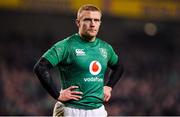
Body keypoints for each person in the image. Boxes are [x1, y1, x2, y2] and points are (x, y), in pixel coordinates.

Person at [33, 4, 124, 117]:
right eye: (87, 20)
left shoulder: (105, 48)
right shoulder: (66, 45)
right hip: (71, 109)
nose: (92, 24)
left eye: (96, 20)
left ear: (100, 23)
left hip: (98, 110)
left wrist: (109, 86)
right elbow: (40, 67)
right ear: (78, 22)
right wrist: (57, 95)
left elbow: (119, 67)